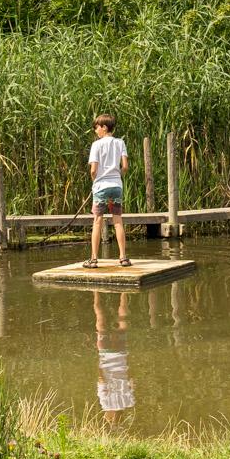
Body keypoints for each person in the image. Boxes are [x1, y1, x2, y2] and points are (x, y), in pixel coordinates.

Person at [85, 113, 131, 268]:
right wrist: (118, 175)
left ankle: (94, 259)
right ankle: (123, 257)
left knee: (97, 221)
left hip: (101, 187)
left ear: (104, 127)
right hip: (116, 186)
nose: (95, 131)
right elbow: (124, 166)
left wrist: (95, 181)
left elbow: (93, 170)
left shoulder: (96, 145)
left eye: (96, 127)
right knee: (118, 220)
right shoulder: (120, 142)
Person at [93, 290, 134, 425]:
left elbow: (132, 379)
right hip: (105, 354)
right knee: (100, 320)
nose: (105, 416)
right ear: (111, 417)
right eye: (107, 419)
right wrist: (98, 363)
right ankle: (96, 291)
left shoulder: (129, 402)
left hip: (121, 355)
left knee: (123, 320)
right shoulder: (105, 403)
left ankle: (124, 292)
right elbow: (101, 380)